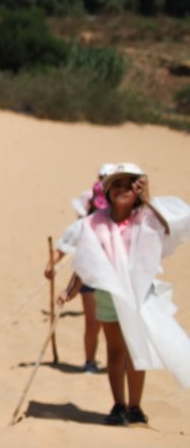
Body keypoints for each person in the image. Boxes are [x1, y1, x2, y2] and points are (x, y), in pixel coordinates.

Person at [53, 163, 190, 425]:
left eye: (129, 184)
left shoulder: (148, 216)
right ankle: (119, 404)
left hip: (139, 296)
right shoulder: (95, 222)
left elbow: (172, 228)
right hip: (108, 295)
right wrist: (70, 291)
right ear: (108, 190)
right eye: (117, 184)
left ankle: (136, 406)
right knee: (115, 352)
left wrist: (147, 198)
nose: (123, 189)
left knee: (136, 351)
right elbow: (86, 260)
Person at [49, 163, 114, 374]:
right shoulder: (87, 222)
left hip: (113, 280)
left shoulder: (121, 221)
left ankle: (116, 362)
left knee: (113, 328)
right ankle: (90, 361)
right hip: (88, 278)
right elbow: (65, 244)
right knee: (93, 323)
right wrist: (52, 265)